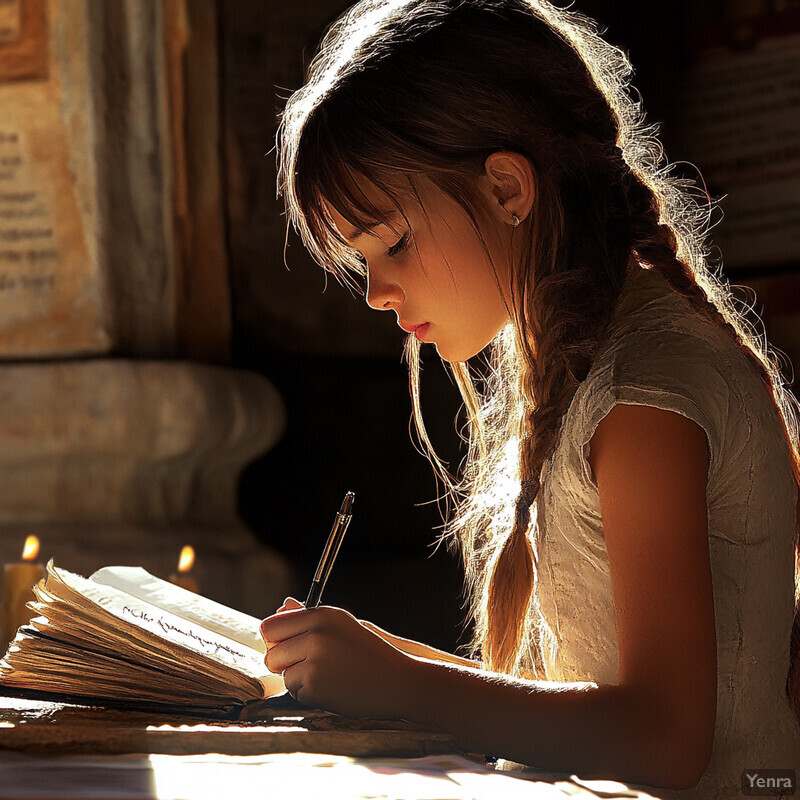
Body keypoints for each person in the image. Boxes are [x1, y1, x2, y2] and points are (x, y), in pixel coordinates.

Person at [259, 0, 800, 794]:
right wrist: (381, 659)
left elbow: (665, 740)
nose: (374, 292)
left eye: (394, 241)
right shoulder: (581, 370)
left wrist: (402, 684)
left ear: (508, 187)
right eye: (358, 261)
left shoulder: (642, 400)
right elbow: (581, 694)